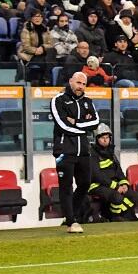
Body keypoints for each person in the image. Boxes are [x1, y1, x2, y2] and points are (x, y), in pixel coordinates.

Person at [51, 72, 99, 233]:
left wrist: (76, 122)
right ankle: (71, 221)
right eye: (78, 83)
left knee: (85, 184)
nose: (81, 87)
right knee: (66, 187)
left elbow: (95, 122)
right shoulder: (58, 100)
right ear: (71, 81)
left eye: (84, 84)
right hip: (65, 151)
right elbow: (62, 125)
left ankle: (71, 214)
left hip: (84, 151)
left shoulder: (87, 102)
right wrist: (83, 126)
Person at [88, 124, 138, 222]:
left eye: (107, 137)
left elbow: (119, 171)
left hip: (112, 185)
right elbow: (97, 176)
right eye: (102, 138)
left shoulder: (111, 153)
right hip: (96, 185)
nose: (105, 140)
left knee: (134, 196)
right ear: (97, 139)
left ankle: (121, 215)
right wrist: (116, 186)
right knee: (117, 197)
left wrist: (124, 184)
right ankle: (113, 216)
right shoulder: (92, 153)